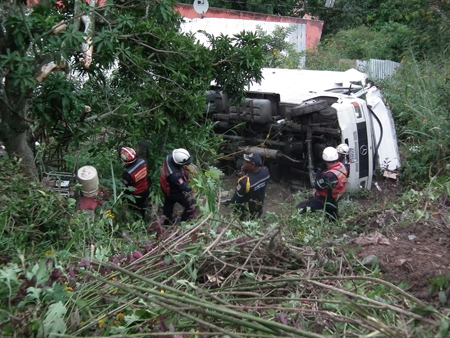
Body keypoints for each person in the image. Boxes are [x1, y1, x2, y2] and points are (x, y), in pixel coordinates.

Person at [297, 147, 348, 221]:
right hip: (337, 196)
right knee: (333, 218)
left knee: (300, 207)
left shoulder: (330, 176)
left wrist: (319, 171)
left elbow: (317, 185)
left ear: (326, 161)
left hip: (326, 199)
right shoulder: (342, 167)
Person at [223, 152, 270, 220]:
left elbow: (236, 199)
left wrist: (230, 203)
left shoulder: (245, 182)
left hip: (246, 210)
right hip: (259, 205)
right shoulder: (266, 171)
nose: (244, 163)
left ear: (253, 166)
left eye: (247, 162)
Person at [160, 148, 196, 224]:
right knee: (192, 204)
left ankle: (166, 221)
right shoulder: (175, 176)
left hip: (166, 186)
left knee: (168, 205)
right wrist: (195, 185)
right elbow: (186, 188)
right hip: (174, 191)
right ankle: (184, 221)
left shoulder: (171, 156)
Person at [120, 146, 151, 218]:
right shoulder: (144, 162)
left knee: (134, 207)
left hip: (136, 194)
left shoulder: (128, 173)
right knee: (143, 204)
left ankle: (137, 217)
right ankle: (144, 215)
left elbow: (127, 188)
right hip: (146, 188)